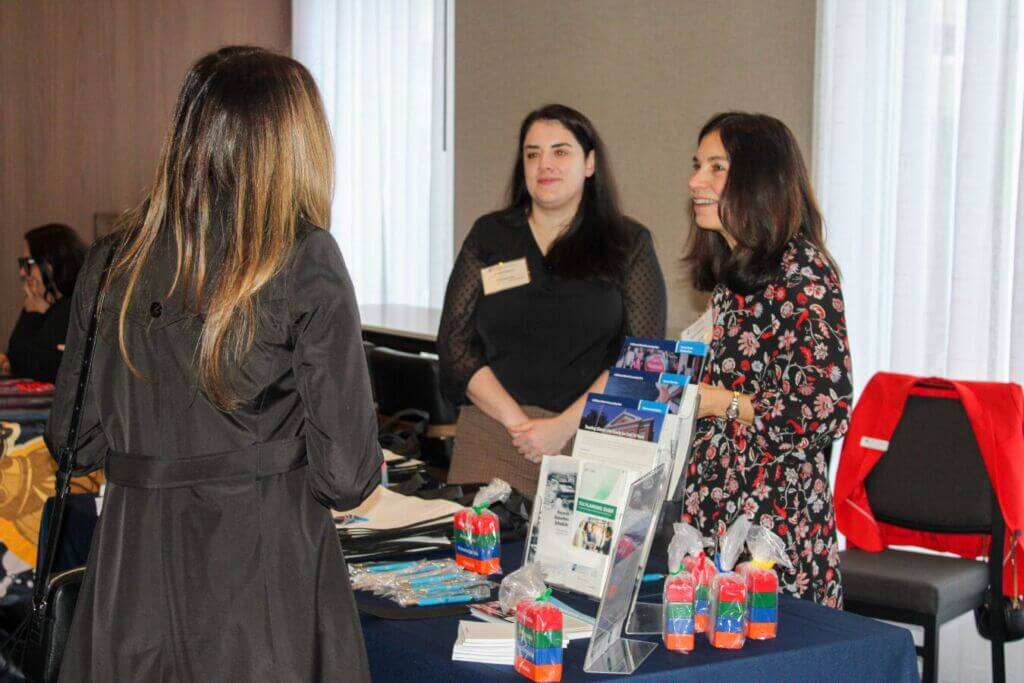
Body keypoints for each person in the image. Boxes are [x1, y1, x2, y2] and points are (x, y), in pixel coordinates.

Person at [45, 46, 382, 681]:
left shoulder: (112, 259)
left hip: (131, 590)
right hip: (262, 598)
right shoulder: (304, 258)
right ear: (296, 143)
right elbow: (346, 477)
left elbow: (73, 444)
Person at [439, 104, 666, 495]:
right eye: (533, 154)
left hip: (594, 436)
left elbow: (643, 357)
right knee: (479, 538)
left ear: (589, 163)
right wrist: (519, 425)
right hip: (495, 433)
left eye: (560, 152)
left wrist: (563, 427)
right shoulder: (489, 235)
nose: (544, 164)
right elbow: (454, 343)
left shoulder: (628, 243)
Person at [681, 112, 852, 607]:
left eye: (716, 168)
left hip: (773, 521)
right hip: (717, 505)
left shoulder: (803, 275)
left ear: (758, 181)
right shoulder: (733, 277)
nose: (695, 181)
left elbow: (825, 408)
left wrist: (724, 403)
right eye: (697, 165)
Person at [1, 223, 87, 382]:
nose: (22, 272)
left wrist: (32, 315)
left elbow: (32, 366)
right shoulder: (44, 303)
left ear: (52, 264)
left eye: (28, 263)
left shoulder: (75, 309)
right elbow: (17, 355)